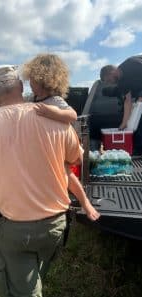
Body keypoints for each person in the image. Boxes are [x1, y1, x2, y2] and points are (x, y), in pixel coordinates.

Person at [0, 65, 100, 297]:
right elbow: (75, 159)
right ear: (22, 87)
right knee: (36, 273)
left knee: (24, 292)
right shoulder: (55, 118)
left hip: (14, 232)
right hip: (56, 227)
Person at [21, 53, 97, 215]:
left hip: (58, 146)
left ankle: (86, 204)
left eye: (32, 80)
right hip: (41, 145)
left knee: (66, 174)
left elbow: (72, 115)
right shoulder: (33, 98)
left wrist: (52, 112)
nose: (30, 84)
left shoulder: (55, 100)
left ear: (45, 80)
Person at [100, 55, 142, 154]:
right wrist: (124, 123)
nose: (110, 83)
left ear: (112, 72)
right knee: (138, 123)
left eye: (109, 80)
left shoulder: (131, 64)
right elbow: (127, 101)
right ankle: (138, 151)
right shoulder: (122, 83)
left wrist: (141, 96)